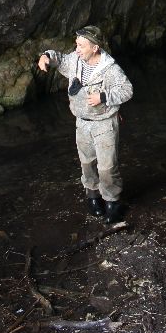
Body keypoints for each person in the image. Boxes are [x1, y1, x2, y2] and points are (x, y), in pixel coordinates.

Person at [37, 26, 133, 224]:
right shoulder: (75, 60)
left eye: (81, 46)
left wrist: (104, 96)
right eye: (76, 44)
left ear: (95, 48)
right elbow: (59, 58)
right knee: (87, 163)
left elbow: (127, 90)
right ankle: (93, 196)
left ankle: (112, 202)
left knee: (107, 166)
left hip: (104, 122)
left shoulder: (110, 69)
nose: (77, 49)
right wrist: (45, 56)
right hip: (82, 122)